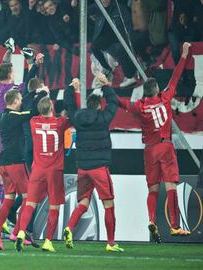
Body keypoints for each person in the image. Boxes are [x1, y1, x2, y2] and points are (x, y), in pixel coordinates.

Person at [117, 42, 192, 241]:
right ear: (157, 89)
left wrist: (106, 87)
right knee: (171, 187)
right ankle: (175, 226)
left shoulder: (140, 106)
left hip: (149, 150)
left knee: (152, 189)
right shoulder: (165, 98)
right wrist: (184, 54)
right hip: (165, 147)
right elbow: (175, 78)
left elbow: (121, 102)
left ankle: (151, 220)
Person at [63, 74, 124, 252]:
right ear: (98, 105)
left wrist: (71, 88)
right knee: (108, 204)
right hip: (99, 169)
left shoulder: (77, 118)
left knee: (83, 202)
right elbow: (113, 103)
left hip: (83, 168)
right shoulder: (103, 117)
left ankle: (69, 228)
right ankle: (111, 243)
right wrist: (105, 85)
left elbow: (69, 105)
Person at [0, 38, 37, 233]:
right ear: (10, 75)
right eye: (13, 71)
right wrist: (32, 63)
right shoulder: (12, 91)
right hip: (3, 136)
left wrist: (8, 51)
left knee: (1, 176)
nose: (15, 73)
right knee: (0, 176)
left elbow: (3, 67)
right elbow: (30, 84)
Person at [0, 88, 47, 251]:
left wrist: (32, 94)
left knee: (9, 198)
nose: (21, 101)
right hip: (16, 163)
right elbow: (32, 112)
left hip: (4, 164)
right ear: (14, 102)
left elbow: (24, 106)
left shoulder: (3, 116)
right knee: (30, 198)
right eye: (20, 99)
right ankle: (17, 232)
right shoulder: (14, 117)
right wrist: (41, 94)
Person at [14, 96, 72, 252]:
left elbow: (31, 109)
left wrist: (39, 95)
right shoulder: (60, 123)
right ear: (52, 108)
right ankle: (48, 241)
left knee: (30, 204)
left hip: (37, 170)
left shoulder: (33, 122)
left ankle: (21, 232)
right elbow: (74, 115)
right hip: (54, 171)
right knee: (54, 206)